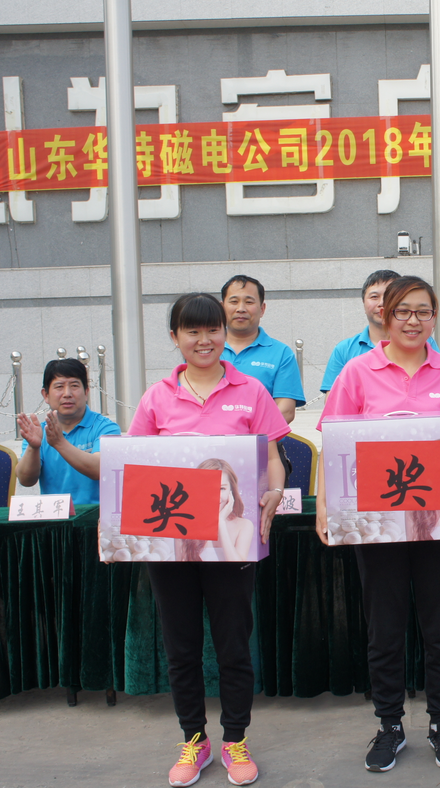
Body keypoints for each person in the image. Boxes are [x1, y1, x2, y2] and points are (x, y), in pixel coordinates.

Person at [314, 276, 440, 773]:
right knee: (385, 628)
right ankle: (389, 724)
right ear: (385, 315)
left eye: (423, 311)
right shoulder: (357, 373)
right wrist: (325, 506)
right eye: (403, 311)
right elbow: (334, 445)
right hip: (377, 525)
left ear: (434, 317)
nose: (413, 321)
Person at [129, 292, 289, 787]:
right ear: (175, 337)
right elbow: (134, 468)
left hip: (232, 541)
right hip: (171, 544)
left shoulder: (251, 391)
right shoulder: (156, 397)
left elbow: (273, 459)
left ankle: (235, 739)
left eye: (213, 329)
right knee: (181, 646)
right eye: (192, 331)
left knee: (233, 644)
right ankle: (193, 740)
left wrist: (274, 492)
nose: (205, 340)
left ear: (225, 333)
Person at [15, 358, 120, 505]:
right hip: (54, 515)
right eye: (59, 387)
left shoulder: (106, 428)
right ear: (46, 395)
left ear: (86, 392)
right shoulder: (39, 432)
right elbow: (25, 480)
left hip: (96, 516)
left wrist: (59, 443)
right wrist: (33, 447)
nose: (67, 394)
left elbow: (100, 469)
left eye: (74, 386)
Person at [320, 269, 439, 393]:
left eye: (388, 296)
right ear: (363, 302)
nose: (382, 303)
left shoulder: (426, 343)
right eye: (374, 297)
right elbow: (334, 398)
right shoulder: (344, 350)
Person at [220, 275, 305, 424]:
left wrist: (247, 434)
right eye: (234, 301)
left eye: (249, 302)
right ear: (221, 308)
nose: (241, 309)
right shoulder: (205, 349)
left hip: (263, 437)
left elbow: (286, 410)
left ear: (262, 309)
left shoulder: (281, 353)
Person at [176, 459, 255, 562]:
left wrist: (221, 523)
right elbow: (179, 569)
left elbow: (238, 568)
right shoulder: (182, 526)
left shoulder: (244, 526)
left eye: (222, 489)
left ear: (231, 490)